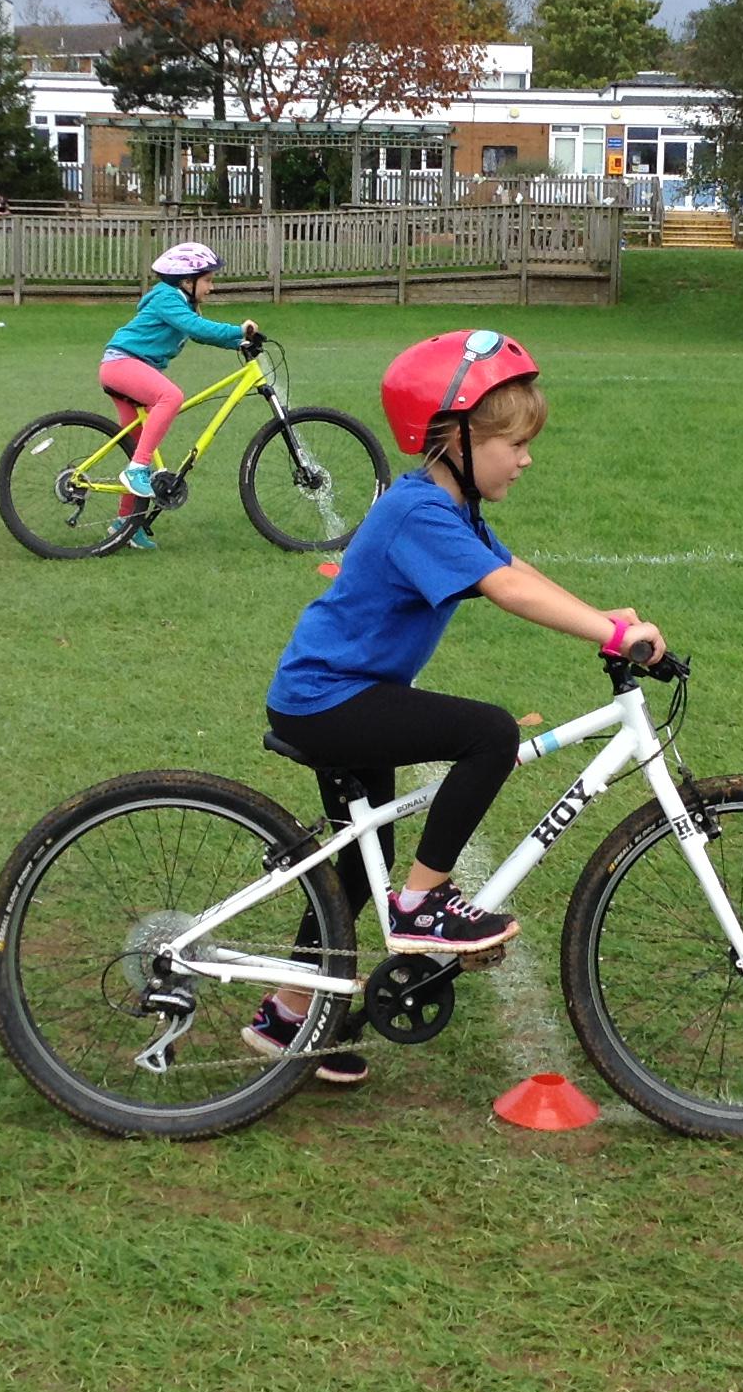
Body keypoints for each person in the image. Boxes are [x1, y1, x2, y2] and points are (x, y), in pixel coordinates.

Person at [244, 328, 664, 1085]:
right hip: (328, 699)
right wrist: (609, 633)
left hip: (344, 694)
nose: (525, 458)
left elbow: (513, 567)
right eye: (514, 443)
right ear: (456, 439)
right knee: (488, 733)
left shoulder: (449, 506)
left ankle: (286, 1015)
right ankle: (423, 903)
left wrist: (603, 619)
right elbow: (506, 591)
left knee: (353, 869)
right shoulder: (420, 513)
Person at [96, 240, 255, 551]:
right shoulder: (167, 298)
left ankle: (126, 526)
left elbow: (200, 334)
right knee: (170, 397)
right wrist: (237, 330)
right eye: (207, 280)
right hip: (122, 364)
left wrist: (240, 343)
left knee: (138, 445)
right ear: (186, 281)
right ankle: (137, 469)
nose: (211, 287)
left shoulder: (181, 302)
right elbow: (197, 328)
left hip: (130, 368)